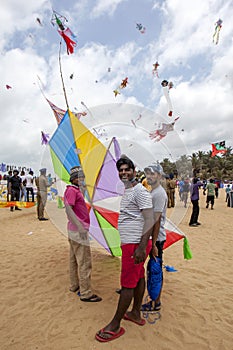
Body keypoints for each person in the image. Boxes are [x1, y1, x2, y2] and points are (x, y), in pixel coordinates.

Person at [96, 156, 154, 343]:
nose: (123, 173)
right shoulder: (128, 190)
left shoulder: (140, 191)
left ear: (134, 170)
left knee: (127, 284)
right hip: (132, 243)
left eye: (127, 169)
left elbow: (150, 219)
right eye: (120, 170)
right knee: (138, 278)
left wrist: (142, 247)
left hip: (135, 244)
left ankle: (115, 324)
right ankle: (135, 313)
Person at [64, 166, 102, 302]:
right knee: (84, 262)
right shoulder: (71, 191)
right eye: (81, 177)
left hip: (74, 230)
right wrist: (80, 227)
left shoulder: (75, 190)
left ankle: (75, 285)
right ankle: (85, 293)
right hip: (78, 230)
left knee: (74, 259)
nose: (83, 179)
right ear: (75, 179)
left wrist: (84, 188)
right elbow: (69, 210)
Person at [141, 163, 168, 311]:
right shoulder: (154, 191)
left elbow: (156, 221)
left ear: (159, 175)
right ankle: (154, 300)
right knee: (152, 269)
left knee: (155, 270)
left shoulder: (159, 194)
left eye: (152, 174)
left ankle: (155, 302)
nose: (149, 177)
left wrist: (154, 244)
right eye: (147, 174)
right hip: (153, 237)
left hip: (156, 238)